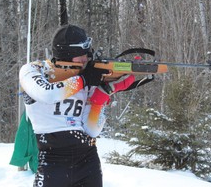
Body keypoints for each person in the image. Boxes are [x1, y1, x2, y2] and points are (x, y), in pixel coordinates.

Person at [19, 24, 136, 187]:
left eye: (87, 54)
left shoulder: (88, 74)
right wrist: (84, 80)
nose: (85, 59)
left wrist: (102, 96)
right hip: (53, 163)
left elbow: (92, 130)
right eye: (80, 54)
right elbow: (48, 94)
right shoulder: (34, 70)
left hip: (88, 162)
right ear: (66, 53)